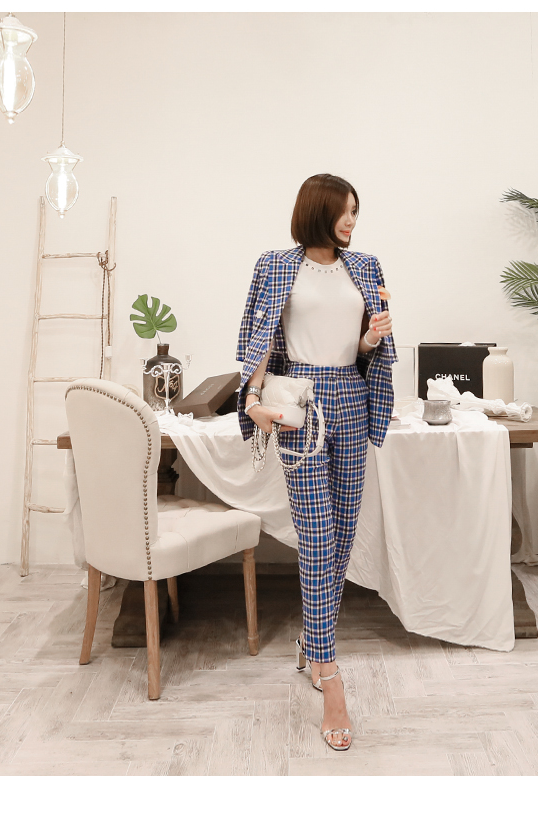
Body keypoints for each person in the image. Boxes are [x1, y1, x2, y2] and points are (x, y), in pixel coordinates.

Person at [236, 174, 396, 752]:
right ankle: (329, 674)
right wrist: (253, 401)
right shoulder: (275, 265)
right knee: (317, 536)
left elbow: (362, 349)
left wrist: (371, 340)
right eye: (343, 211)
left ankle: (313, 638)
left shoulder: (367, 267)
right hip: (300, 404)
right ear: (317, 210)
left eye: (356, 211)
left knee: (344, 532)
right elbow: (259, 337)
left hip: (352, 397)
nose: (352, 221)